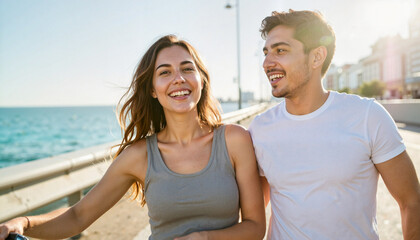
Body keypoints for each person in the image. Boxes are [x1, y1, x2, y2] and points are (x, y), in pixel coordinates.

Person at [0, 35, 265, 240]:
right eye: (165, 72)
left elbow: (255, 228)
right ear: (152, 89)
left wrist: (205, 238)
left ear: (201, 80)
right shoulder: (138, 156)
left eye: (187, 69)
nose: (178, 79)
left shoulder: (234, 140)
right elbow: (78, 215)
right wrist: (24, 222)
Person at [248, 9, 420, 240]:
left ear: (317, 57)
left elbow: (411, 202)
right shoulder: (259, 129)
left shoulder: (367, 116)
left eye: (280, 51)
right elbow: (252, 214)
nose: (267, 63)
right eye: (266, 52)